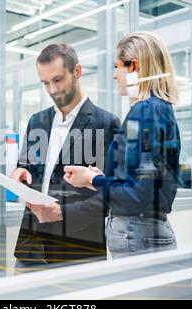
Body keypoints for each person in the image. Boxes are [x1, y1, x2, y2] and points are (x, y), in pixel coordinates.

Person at [64, 31, 181, 259]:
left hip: (136, 229)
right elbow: (141, 181)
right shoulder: (160, 109)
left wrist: (91, 179)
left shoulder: (145, 111)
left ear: (134, 66)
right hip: (145, 229)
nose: (116, 75)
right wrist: (99, 178)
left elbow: (138, 194)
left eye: (118, 67)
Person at [11, 44, 120, 268]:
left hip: (77, 250)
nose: (52, 90)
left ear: (77, 72)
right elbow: (25, 165)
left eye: (57, 79)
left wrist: (62, 214)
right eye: (45, 83)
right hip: (30, 247)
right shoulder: (37, 121)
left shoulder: (106, 124)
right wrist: (20, 171)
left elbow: (112, 195)